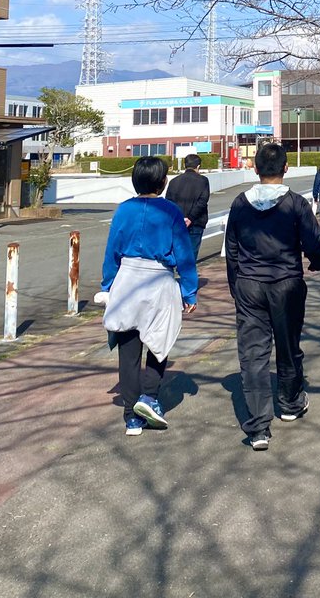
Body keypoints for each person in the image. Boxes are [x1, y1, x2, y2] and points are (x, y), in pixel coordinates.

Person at [225, 141, 320, 450]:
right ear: (286, 168)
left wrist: (236, 286)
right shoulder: (296, 203)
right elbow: (312, 240)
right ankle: (291, 403)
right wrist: (317, 261)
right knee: (288, 344)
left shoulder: (240, 203)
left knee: (253, 353)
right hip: (286, 282)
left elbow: (231, 249)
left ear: (256, 169)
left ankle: (258, 428)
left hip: (249, 284)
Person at [100, 155, 198, 435]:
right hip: (159, 280)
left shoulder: (123, 210)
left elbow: (112, 252)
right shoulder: (170, 211)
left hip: (127, 280)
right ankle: (149, 397)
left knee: (128, 348)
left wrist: (108, 285)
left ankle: (131, 416)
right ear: (163, 181)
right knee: (159, 341)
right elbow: (184, 254)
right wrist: (189, 291)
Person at [165, 152, 210, 259]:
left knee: (178, 254)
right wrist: (190, 218)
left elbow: (169, 202)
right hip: (196, 223)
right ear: (198, 166)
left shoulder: (174, 181)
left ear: (185, 165)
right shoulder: (203, 181)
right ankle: (187, 275)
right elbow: (202, 202)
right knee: (191, 257)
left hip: (177, 223)